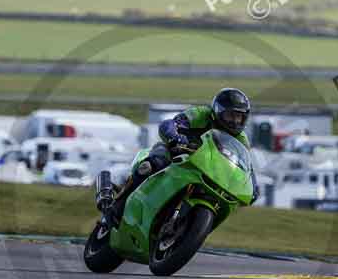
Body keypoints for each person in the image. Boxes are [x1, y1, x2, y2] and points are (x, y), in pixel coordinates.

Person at [96, 88, 259, 222]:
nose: (235, 121)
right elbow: (170, 124)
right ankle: (116, 207)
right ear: (218, 111)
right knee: (150, 165)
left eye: (239, 117)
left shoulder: (241, 139)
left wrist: (252, 186)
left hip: (206, 169)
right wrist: (176, 137)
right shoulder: (201, 114)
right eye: (231, 115)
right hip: (178, 151)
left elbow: (246, 166)